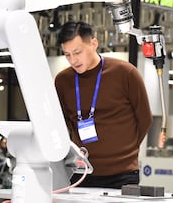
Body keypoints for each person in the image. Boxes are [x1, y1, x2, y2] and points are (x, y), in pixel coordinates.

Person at [54, 21, 153, 189]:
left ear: (93, 43)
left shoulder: (125, 73)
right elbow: (63, 122)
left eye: (77, 52)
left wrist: (126, 152)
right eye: (67, 54)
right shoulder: (62, 81)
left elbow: (145, 118)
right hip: (81, 172)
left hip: (122, 174)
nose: (73, 60)